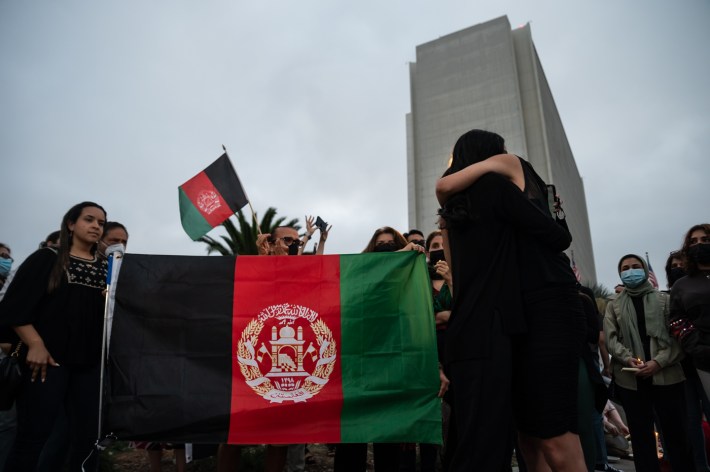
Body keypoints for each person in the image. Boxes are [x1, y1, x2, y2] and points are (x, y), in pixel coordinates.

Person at [436, 129, 585, 471]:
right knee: (530, 432)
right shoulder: (493, 184)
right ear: (491, 154)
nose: (507, 155)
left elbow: (443, 187)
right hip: (523, 312)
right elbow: (560, 235)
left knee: (543, 430)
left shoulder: (482, 191)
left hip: (535, 307)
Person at [0, 202, 108, 471]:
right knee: (34, 436)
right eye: (89, 219)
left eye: (101, 223)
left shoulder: (109, 268)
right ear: (71, 224)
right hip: (47, 364)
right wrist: (35, 343)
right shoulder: (47, 258)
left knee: (86, 441)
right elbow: (14, 308)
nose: (96, 226)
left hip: (91, 366)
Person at [604, 253, 692, 472]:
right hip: (630, 379)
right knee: (642, 437)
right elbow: (610, 338)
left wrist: (658, 362)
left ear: (644, 270)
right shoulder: (613, 305)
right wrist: (628, 359)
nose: (630, 271)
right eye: (625, 268)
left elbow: (677, 338)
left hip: (666, 376)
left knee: (676, 434)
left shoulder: (665, 300)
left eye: (635, 266)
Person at [666, 244, 710, 472]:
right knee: (691, 421)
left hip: (706, 360)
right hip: (685, 363)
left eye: (681, 264)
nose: (678, 268)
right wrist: (693, 344)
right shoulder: (674, 292)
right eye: (673, 266)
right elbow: (676, 321)